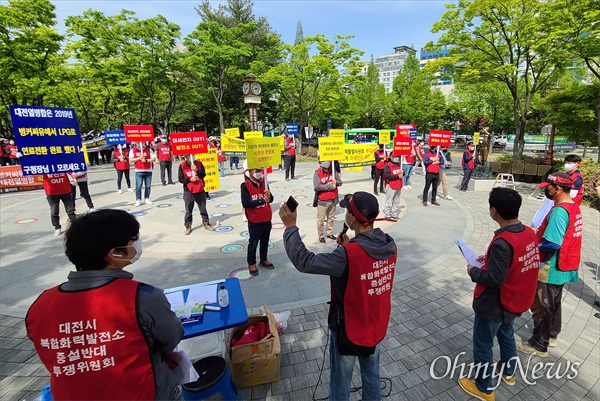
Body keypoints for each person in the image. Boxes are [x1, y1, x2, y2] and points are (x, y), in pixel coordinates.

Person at [26, 209, 184, 400]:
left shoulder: (41, 305)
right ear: (114, 253)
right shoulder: (143, 297)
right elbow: (171, 338)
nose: (137, 244)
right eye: (133, 239)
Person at [279, 191, 396, 401]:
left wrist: (290, 227)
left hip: (349, 328)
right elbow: (363, 268)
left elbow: (305, 261)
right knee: (372, 375)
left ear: (351, 218)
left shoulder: (347, 255)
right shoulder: (389, 244)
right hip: (375, 324)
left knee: (341, 381)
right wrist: (348, 245)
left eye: (347, 211)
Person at [459, 188, 540, 400]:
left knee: (483, 345)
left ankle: (484, 387)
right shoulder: (528, 232)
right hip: (517, 298)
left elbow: (494, 279)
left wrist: (473, 271)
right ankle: (508, 371)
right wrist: (489, 260)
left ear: (493, 211)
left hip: (496, 303)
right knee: (506, 335)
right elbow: (517, 261)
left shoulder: (503, 242)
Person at [517, 173, 583, 357]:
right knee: (553, 302)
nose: (547, 189)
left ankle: (539, 344)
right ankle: (551, 335)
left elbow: (554, 243)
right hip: (564, 263)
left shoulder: (559, 211)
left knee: (542, 304)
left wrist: (532, 245)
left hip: (551, 264)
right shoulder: (573, 207)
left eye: (549, 186)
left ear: (558, 189)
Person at [241, 166, 274, 277]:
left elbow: (271, 199)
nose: (259, 173)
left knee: (265, 241)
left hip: (266, 218)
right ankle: (252, 263)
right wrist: (261, 200)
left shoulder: (264, 183)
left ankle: (263, 259)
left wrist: (269, 196)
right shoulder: (245, 185)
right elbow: (246, 203)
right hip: (254, 220)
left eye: (260, 170)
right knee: (253, 243)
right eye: (257, 170)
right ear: (250, 172)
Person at [178, 155, 215, 235]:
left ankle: (206, 223)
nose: (190, 157)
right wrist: (189, 179)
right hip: (188, 191)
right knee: (188, 210)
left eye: (192, 155)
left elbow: (203, 174)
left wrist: (197, 170)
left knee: (203, 208)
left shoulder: (199, 163)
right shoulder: (182, 166)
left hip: (200, 189)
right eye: (188, 156)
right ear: (185, 157)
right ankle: (188, 226)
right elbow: (180, 179)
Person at [314, 161, 342, 243]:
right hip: (322, 200)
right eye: (324, 168)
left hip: (333, 199)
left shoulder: (333, 171)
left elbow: (340, 182)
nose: (326, 169)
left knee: (331, 218)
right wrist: (330, 186)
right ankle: (321, 235)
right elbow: (317, 186)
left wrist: (336, 183)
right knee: (321, 219)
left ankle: (329, 233)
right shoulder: (317, 173)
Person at [130, 142, 156, 207]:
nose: (140, 144)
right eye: (138, 142)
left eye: (142, 142)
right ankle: (138, 199)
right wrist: (139, 158)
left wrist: (146, 160)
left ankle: (147, 198)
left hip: (148, 170)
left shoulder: (148, 150)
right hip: (139, 170)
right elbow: (130, 160)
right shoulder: (133, 150)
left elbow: (153, 159)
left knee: (148, 186)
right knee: (138, 186)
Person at [383, 154, 403, 220]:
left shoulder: (399, 164)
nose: (397, 158)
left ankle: (394, 214)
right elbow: (388, 176)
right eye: (395, 157)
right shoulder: (387, 165)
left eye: (398, 157)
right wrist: (397, 176)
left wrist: (403, 173)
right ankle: (387, 214)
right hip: (391, 185)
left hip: (398, 185)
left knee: (396, 201)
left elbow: (402, 174)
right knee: (389, 201)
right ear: (391, 157)